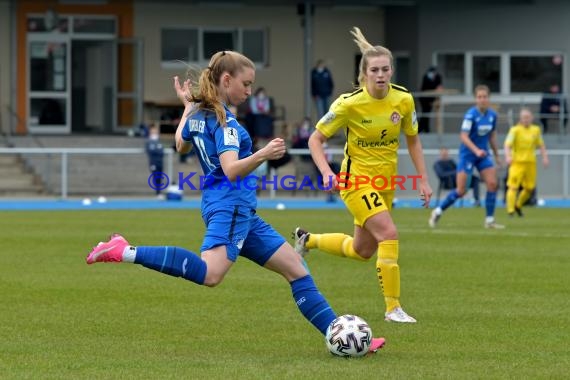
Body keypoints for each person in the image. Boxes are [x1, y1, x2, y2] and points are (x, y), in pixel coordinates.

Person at [85, 50, 385, 353]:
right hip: (230, 206)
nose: (249, 91)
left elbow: (179, 143)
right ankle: (124, 251)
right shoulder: (225, 122)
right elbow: (231, 170)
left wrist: (188, 106)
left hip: (235, 209)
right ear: (226, 80)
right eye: (246, 83)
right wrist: (262, 154)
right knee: (211, 274)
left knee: (296, 268)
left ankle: (340, 335)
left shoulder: (200, 115)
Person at [293, 27, 433, 324]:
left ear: (391, 71)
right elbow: (314, 139)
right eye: (374, 70)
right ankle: (393, 308)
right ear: (364, 73)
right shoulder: (349, 103)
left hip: (385, 182)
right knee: (389, 234)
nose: (380, 74)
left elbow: (414, 139)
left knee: (363, 250)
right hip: (355, 181)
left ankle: (308, 241)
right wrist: (327, 172)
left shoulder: (404, 100)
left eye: (385, 69)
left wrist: (423, 178)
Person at [429, 84, 504, 229]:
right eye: (479, 97)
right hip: (468, 155)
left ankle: (489, 220)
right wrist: (476, 150)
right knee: (461, 190)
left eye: (485, 97)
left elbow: (492, 137)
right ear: (476, 99)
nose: (482, 100)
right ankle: (438, 211)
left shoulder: (493, 115)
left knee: (492, 184)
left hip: (483, 155)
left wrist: (497, 156)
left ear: (489, 99)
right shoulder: (470, 115)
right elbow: (463, 136)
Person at [504, 108, 549, 217]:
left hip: (530, 163)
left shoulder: (536, 130)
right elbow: (507, 145)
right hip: (517, 163)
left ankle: (518, 205)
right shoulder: (515, 130)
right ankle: (510, 210)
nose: (526, 120)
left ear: (532, 118)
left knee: (529, 188)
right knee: (513, 186)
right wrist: (508, 156)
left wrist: (545, 157)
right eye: (524, 118)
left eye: (528, 117)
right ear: (520, 119)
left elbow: (541, 145)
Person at [418, 66, 443, 133]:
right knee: (425, 115)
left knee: (426, 115)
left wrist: (439, 87)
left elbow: (439, 86)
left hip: (431, 99)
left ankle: (425, 130)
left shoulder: (438, 77)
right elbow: (425, 88)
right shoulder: (426, 77)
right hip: (424, 99)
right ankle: (422, 130)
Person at [145, 124, 165, 198]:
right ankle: (158, 192)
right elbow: (151, 151)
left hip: (160, 162)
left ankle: (159, 192)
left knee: (160, 177)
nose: (155, 133)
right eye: (153, 132)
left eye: (156, 132)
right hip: (153, 162)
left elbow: (161, 151)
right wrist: (157, 150)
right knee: (155, 177)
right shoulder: (149, 142)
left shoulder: (158, 141)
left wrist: (157, 150)